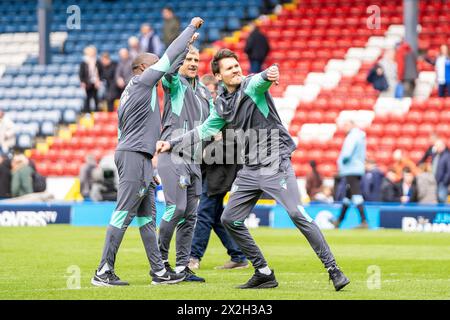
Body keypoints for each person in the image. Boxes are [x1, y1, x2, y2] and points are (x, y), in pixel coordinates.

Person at [156, 49, 349, 291]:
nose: (236, 69)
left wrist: (271, 73)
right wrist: (171, 143)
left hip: (274, 163)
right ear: (218, 76)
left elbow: (263, 77)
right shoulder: (221, 104)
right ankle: (263, 272)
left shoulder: (251, 86)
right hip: (249, 168)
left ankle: (333, 269)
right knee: (230, 219)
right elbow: (203, 131)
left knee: (296, 214)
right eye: (229, 68)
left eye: (236, 65)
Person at [91, 17, 204, 287]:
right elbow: (170, 58)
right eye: (155, 64)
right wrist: (189, 31)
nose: (160, 68)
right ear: (142, 68)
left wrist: (146, 167)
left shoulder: (132, 93)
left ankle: (159, 272)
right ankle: (103, 271)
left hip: (137, 157)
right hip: (134, 156)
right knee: (123, 213)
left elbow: (123, 131)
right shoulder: (143, 83)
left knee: (145, 220)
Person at [157, 45, 210, 282]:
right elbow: (167, 70)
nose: (192, 63)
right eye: (188, 58)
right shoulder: (175, 83)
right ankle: (159, 262)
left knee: (190, 215)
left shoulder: (205, 93)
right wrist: (183, 44)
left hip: (195, 161)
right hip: (173, 154)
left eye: (196, 59)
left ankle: (181, 267)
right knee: (176, 209)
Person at [189, 74, 248, 271]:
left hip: (220, 172)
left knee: (204, 213)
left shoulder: (224, 111)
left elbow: (233, 144)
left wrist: (211, 148)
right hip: (212, 171)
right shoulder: (208, 112)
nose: (209, 95)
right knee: (215, 217)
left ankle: (193, 257)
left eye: (211, 91)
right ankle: (238, 255)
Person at [334, 120, 368, 229]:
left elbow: (347, 153)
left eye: (346, 125)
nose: (344, 127)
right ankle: (339, 220)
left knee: (356, 193)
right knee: (348, 195)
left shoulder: (352, 136)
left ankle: (364, 221)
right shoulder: (360, 136)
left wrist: (342, 162)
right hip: (357, 168)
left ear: (352, 125)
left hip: (351, 168)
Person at [79, 46, 101, 113]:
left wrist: (99, 80)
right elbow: (81, 73)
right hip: (87, 82)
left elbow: (100, 71)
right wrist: (82, 81)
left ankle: (97, 112)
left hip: (95, 82)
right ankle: (87, 113)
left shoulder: (97, 61)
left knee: (96, 97)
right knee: (88, 98)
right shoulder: (84, 62)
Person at [432, 139, 450, 204]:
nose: (435, 148)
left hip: (442, 184)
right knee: (438, 201)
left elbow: (449, 171)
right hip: (436, 183)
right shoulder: (437, 155)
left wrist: (444, 182)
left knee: (442, 200)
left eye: (437, 146)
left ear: (442, 146)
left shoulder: (447, 156)